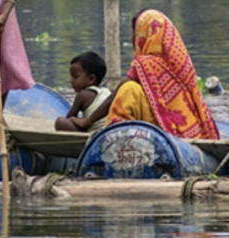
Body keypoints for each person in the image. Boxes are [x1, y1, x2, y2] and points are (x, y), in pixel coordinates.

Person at [103, 9, 220, 140]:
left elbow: (113, 96)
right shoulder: (178, 63)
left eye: (135, 34)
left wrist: (88, 121)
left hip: (167, 133)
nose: (132, 39)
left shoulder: (147, 64)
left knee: (128, 90)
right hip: (192, 129)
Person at [54, 51, 111, 132]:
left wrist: (74, 119)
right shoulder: (106, 91)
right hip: (110, 129)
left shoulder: (83, 95)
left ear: (91, 79)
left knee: (60, 122)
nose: (71, 81)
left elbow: (69, 118)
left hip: (95, 132)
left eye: (75, 77)